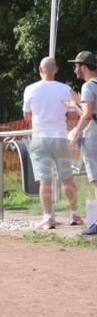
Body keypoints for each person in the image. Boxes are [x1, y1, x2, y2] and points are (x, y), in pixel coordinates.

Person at [21, 57, 82, 229]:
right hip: (61, 137)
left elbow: (26, 116)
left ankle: (48, 217)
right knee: (67, 178)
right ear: (56, 69)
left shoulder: (30, 89)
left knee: (45, 181)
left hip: (40, 138)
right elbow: (72, 115)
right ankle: (75, 214)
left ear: (40, 69)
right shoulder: (66, 89)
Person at [67, 51, 97, 236]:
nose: (75, 69)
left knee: (96, 180)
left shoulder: (88, 86)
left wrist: (76, 133)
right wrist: (78, 105)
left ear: (84, 67)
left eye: (77, 65)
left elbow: (88, 115)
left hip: (93, 136)